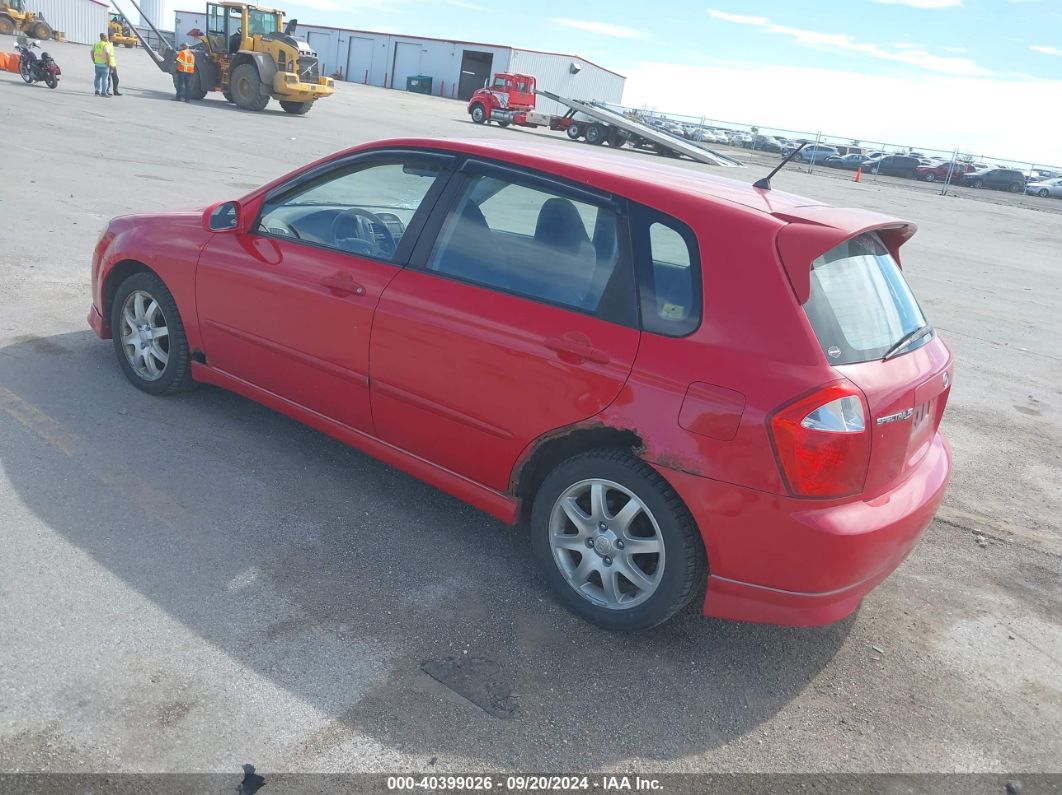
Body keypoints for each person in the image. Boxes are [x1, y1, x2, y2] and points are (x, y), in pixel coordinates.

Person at [91, 33, 114, 97]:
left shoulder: (96, 44)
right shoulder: (105, 45)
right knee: (105, 79)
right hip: (104, 65)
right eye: (106, 37)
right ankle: (103, 92)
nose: (107, 38)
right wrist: (109, 63)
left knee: (97, 78)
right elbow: (107, 54)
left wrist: (93, 59)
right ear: (104, 37)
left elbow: (92, 51)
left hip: (97, 64)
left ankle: (97, 91)